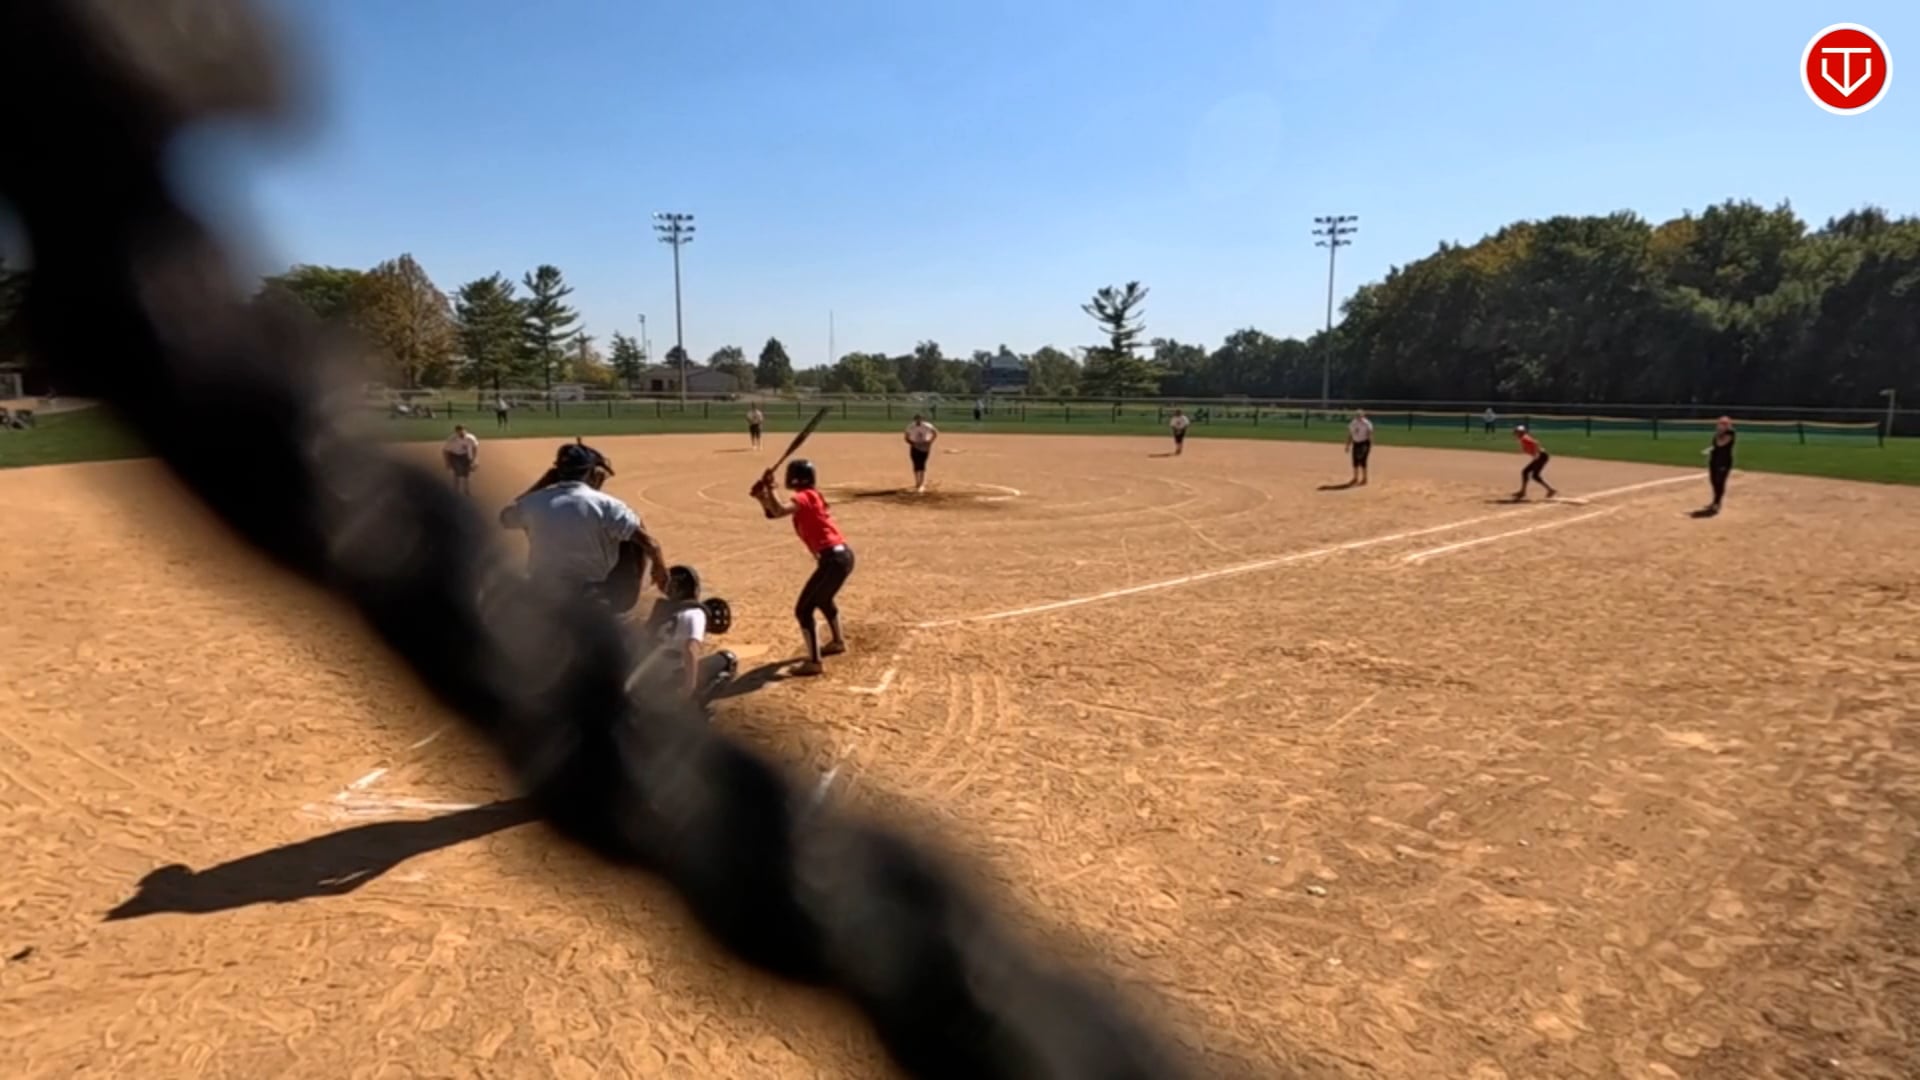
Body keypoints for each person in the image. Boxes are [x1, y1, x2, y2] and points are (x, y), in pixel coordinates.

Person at [501, 441, 668, 613]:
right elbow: (651, 545)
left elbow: (505, 518)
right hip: (589, 597)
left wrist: (543, 483)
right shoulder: (608, 506)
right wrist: (660, 569)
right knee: (628, 536)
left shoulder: (532, 503)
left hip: (542, 594)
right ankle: (619, 609)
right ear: (593, 473)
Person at [751, 459, 853, 676]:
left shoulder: (805, 496)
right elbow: (773, 513)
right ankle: (837, 642)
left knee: (803, 610)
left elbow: (779, 509)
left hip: (833, 560)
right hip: (839, 558)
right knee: (823, 599)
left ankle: (815, 662)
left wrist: (771, 487)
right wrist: (763, 497)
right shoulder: (811, 496)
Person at [632, 565, 738, 706]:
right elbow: (690, 649)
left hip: (644, 679)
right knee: (728, 659)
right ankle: (694, 706)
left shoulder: (661, 609)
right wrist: (689, 687)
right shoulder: (696, 613)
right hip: (667, 681)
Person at [1513, 424, 1558, 500]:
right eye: (1516, 431)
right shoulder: (1523, 438)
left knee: (1529, 473)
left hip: (1541, 456)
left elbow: (1535, 443)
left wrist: (1536, 454)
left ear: (1521, 432)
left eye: (1517, 432)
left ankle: (1523, 492)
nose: (1516, 433)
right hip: (1541, 456)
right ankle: (1550, 490)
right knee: (1529, 473)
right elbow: (1529, 447)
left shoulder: (1524, 438)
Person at [1702, 416, 1736, 514]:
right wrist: (1709, 449)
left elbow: (1721, 443)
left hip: (1724, 461)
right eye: (1720, 423)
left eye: (1724, 424)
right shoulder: (1719, 433)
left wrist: (1719, 433)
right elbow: (1715, 446)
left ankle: (1717, 503)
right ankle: (1715, 501)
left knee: (1720, 482)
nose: (1720, 425)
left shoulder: (1730, 433)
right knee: (1713, 481)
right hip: (1714, 460)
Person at [904, 413, 939, 493]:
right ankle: (917, 482)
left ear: (922, 419)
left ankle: (922, 483)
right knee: (915, 464)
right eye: (917, 419)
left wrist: (930, 441)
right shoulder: (911, 426)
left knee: (922, 464)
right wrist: (913, 443)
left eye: (919, 419)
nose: (918, 421)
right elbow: (906, 437)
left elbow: (935, 433)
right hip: (915, 446)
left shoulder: (927, 426)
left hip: (924, 446)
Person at [442, 424, 479, 495]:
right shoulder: (452, 439)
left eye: (463, 431)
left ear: (465, 431)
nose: (461, 433)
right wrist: (447, 462)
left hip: (466, 455)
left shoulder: (471, 438)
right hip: (455, 456)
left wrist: (475, 459)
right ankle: (456, 490)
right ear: (456, 432)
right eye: (459, 432)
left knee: (467, 474)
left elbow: (475, 447)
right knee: (457, 474)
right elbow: (445, 451)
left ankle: (467, 490)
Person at [1345, 409, 1374, 486]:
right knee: (1355, 460)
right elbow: (1350, 435)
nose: (1358, 417)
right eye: (1357, 415)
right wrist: (1347, 445)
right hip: (1356, 443)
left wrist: (1370, 445)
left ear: (1363, 416)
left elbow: (1369, 434)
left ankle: (1364, 478)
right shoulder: (1353, 423)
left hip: (1364, 443)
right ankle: (1355, 478)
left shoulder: (1367, 423)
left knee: (1363, 460)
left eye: (1360, 415)